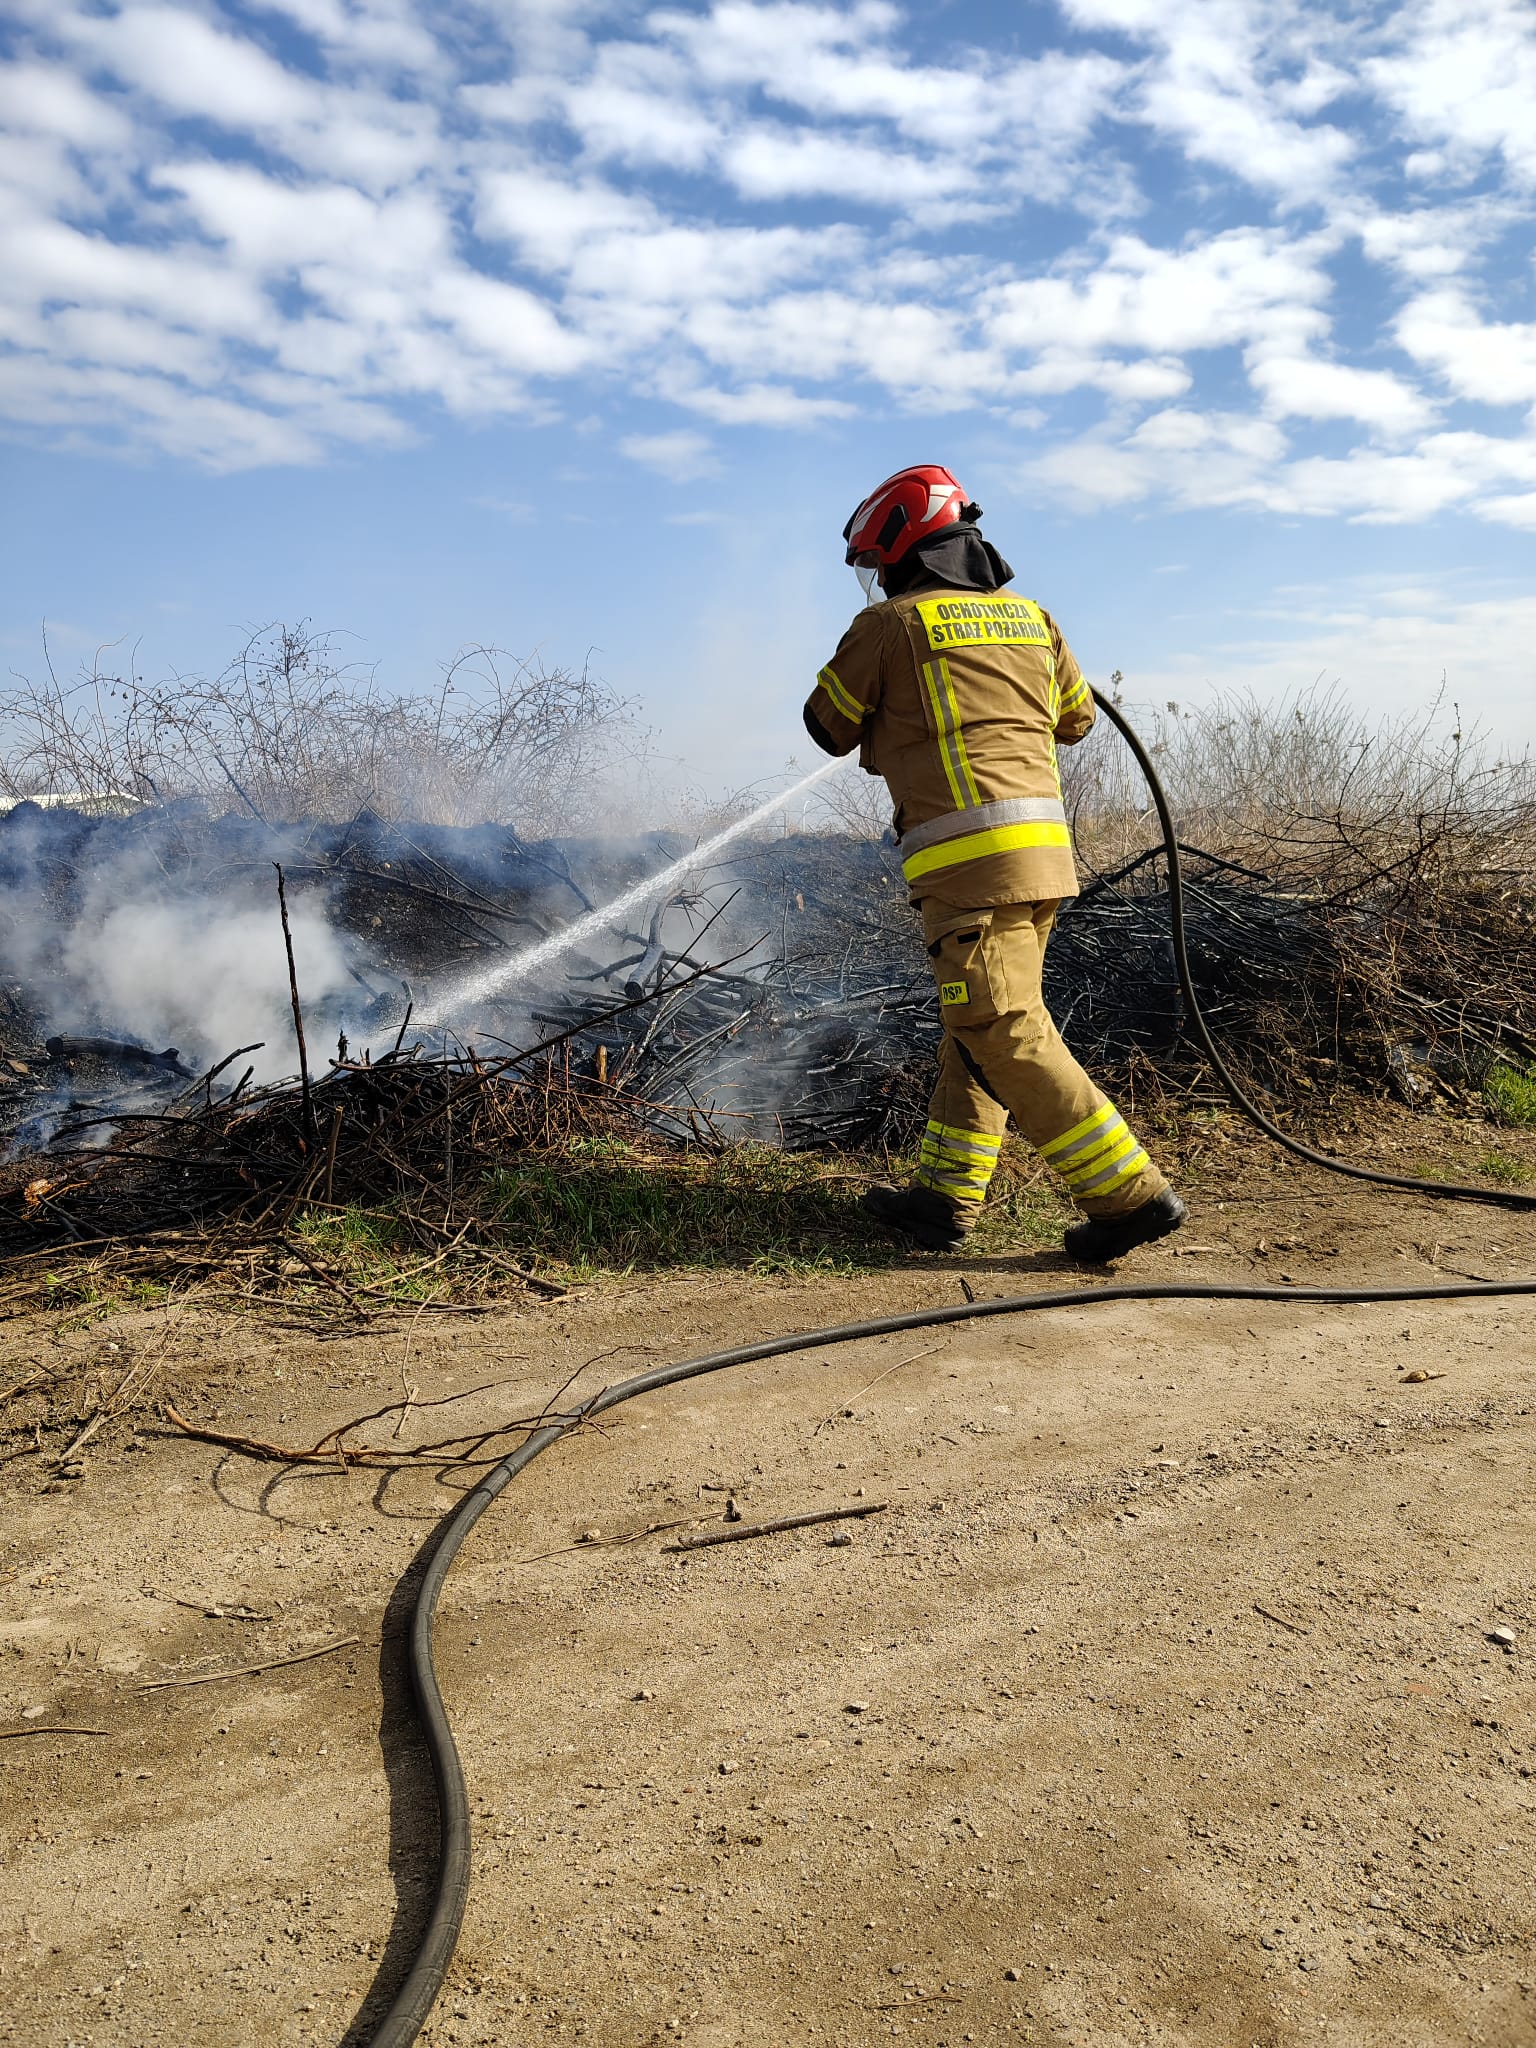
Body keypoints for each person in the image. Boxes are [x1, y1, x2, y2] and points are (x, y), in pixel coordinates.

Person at [802, 464, 1186, 1264]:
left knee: (1000, 1026)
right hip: (1041, 863)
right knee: (974, 1026)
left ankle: (1129, 1197)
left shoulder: (891, 626)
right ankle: (942, 1200)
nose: (877, 580)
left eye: (878, 564)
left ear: (903, 547)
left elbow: (826, 723)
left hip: (970, 871)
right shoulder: (1033, 619)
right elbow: (1076, 719)